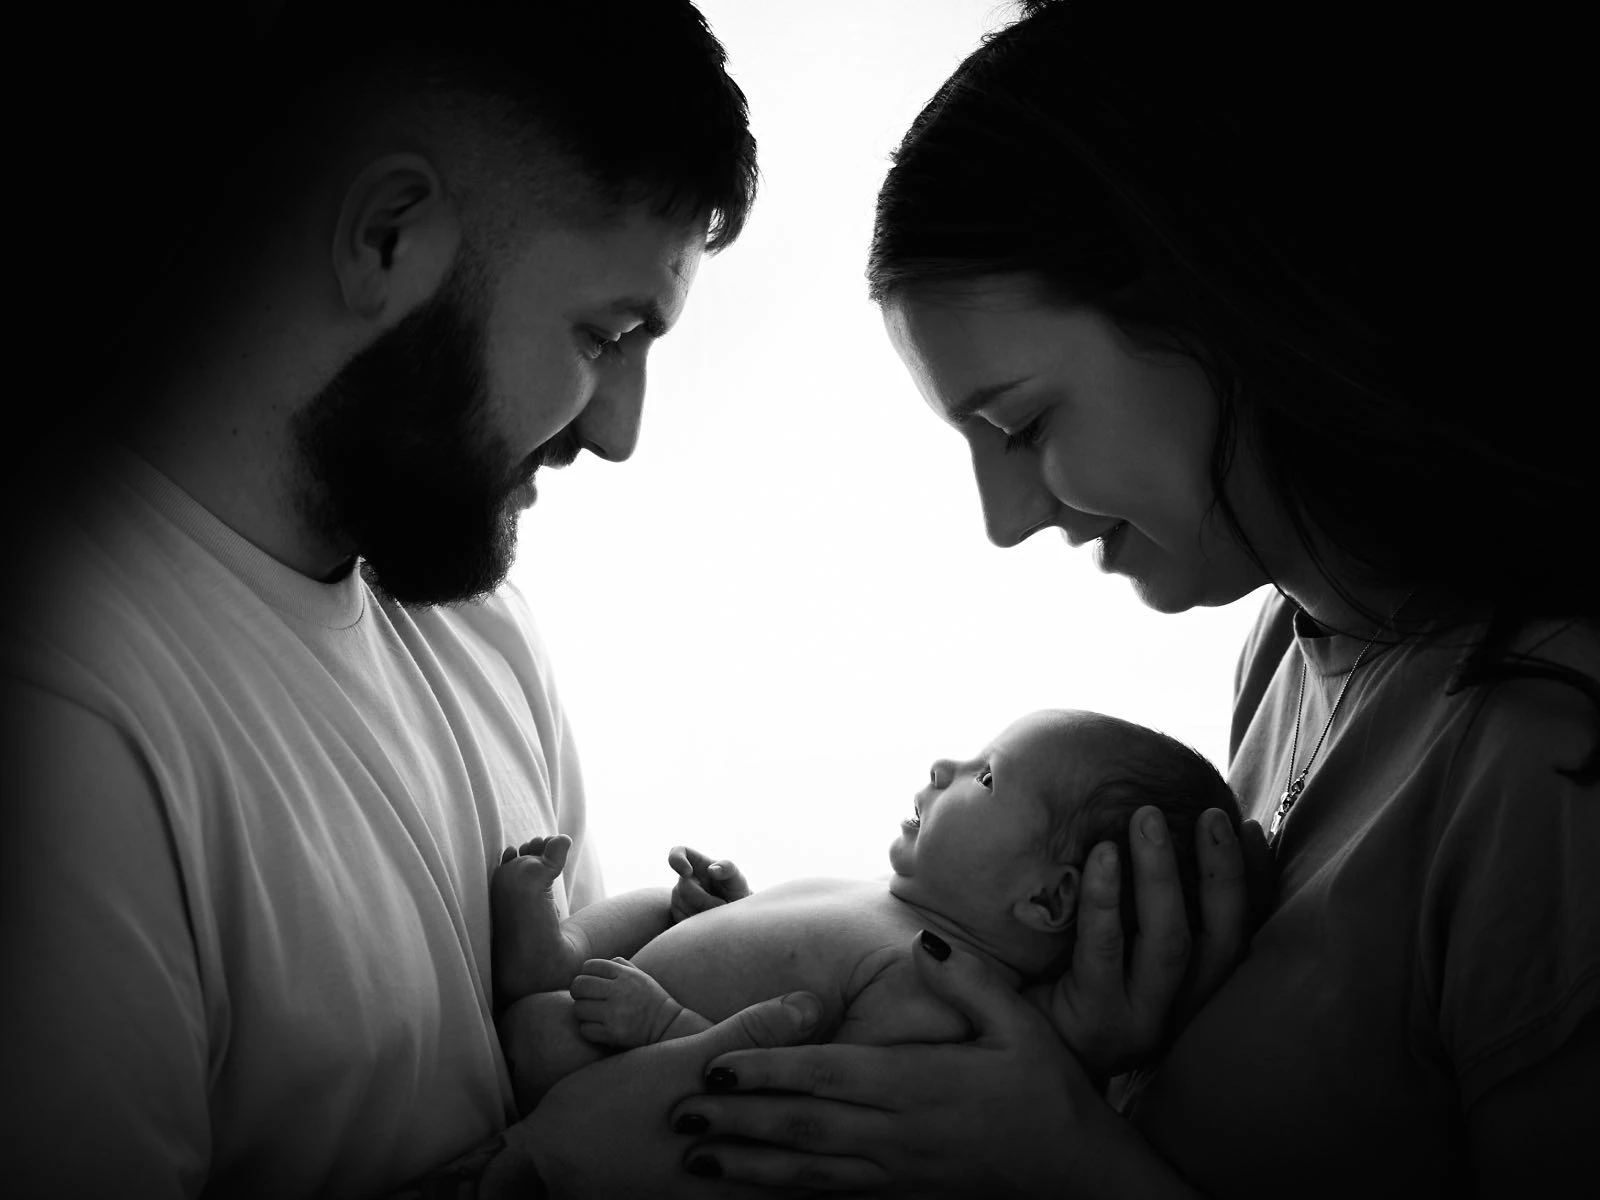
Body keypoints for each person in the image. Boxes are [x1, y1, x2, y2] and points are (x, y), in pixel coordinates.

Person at [651, 1, 1600, 1194]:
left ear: (1218, 310)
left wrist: (1061, 1160)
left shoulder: (1549, 751)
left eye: (1023, 425)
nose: (1006, 520)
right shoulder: (1293, 645)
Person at [0, 2, 845, 1197]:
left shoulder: (472, 617)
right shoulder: (61, 701)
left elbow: (565, 1056)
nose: (620, 433)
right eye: (605, 334)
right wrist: (541, 1180)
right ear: (388, 235)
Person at [489, 709, 1242, 1110]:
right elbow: (783, 967)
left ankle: (538, 983)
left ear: (1048, 897)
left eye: (985, 779)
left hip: (631, 1058)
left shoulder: (932, 993)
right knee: (658, 903)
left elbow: (795, 1094)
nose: (944, 767)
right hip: (633, 992)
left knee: (539, 1034)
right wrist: (726, 915)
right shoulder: (903, 912)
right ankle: (559, 951)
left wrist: (663, 1028)